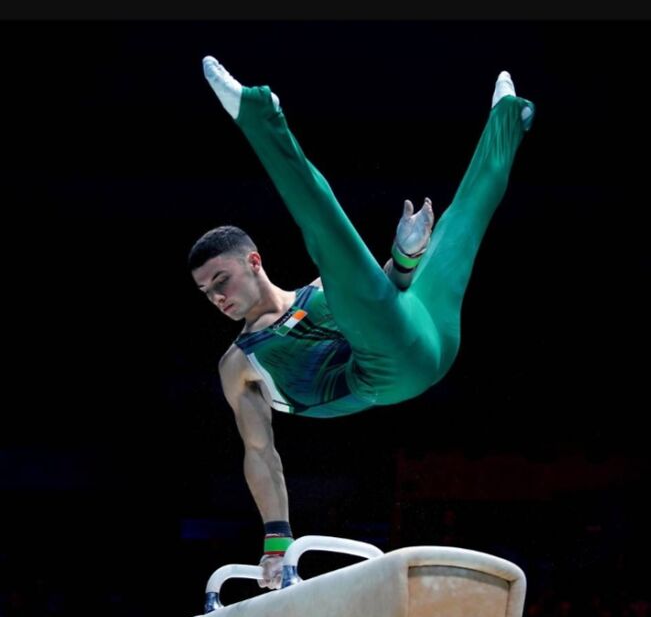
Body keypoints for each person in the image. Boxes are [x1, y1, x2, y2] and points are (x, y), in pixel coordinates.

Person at [189, 55, 535, 589]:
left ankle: (508, 117)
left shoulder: (324, 293)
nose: (216, 297)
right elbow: (262, 453)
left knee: (462, 223)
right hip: (384, 373)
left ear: (254, 261)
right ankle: (263, 119)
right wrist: (276, 542)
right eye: (206, 292)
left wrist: (406, 258)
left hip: (419, 332)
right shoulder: (240, 363)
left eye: (221, 280)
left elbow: (386, 293)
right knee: (344, 264)